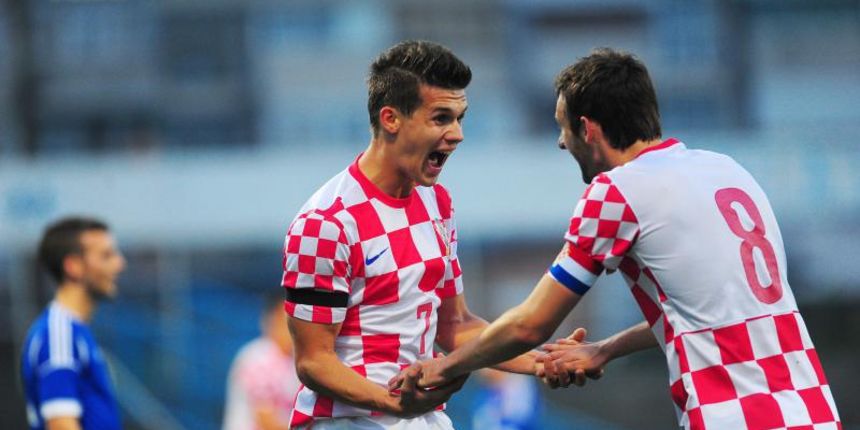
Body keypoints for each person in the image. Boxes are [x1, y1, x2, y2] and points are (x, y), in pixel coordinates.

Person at [395, 48, 842, 429]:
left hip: (735, 416)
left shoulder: (617, 191)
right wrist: (603, 349)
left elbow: (532, 323)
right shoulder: (725, 169)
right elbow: (707, 310)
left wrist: (444, 367)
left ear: (588, 129)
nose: (560, 142)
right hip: (812, 407)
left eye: (562, 126)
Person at [279, 40, 555, 430]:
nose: (457, 134)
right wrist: (395, 404)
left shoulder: (436, 204)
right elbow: (313, 361)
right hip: (350, 421)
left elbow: (455, 326)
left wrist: (541, 361)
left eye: (460, 118)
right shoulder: (326, 223)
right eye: (441, 118)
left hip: (422, 419)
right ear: (391, 118)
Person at [20, 217, 127, 430]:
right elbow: (61, 425)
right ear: (74, 267)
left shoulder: (73, 331)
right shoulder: (58, 335)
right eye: (106, 255)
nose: (119, 264)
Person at [223, 290, 301, 430]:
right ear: (271, 321)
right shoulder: (257, 359)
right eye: (287, 324)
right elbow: (266, 422)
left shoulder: (294, 360)